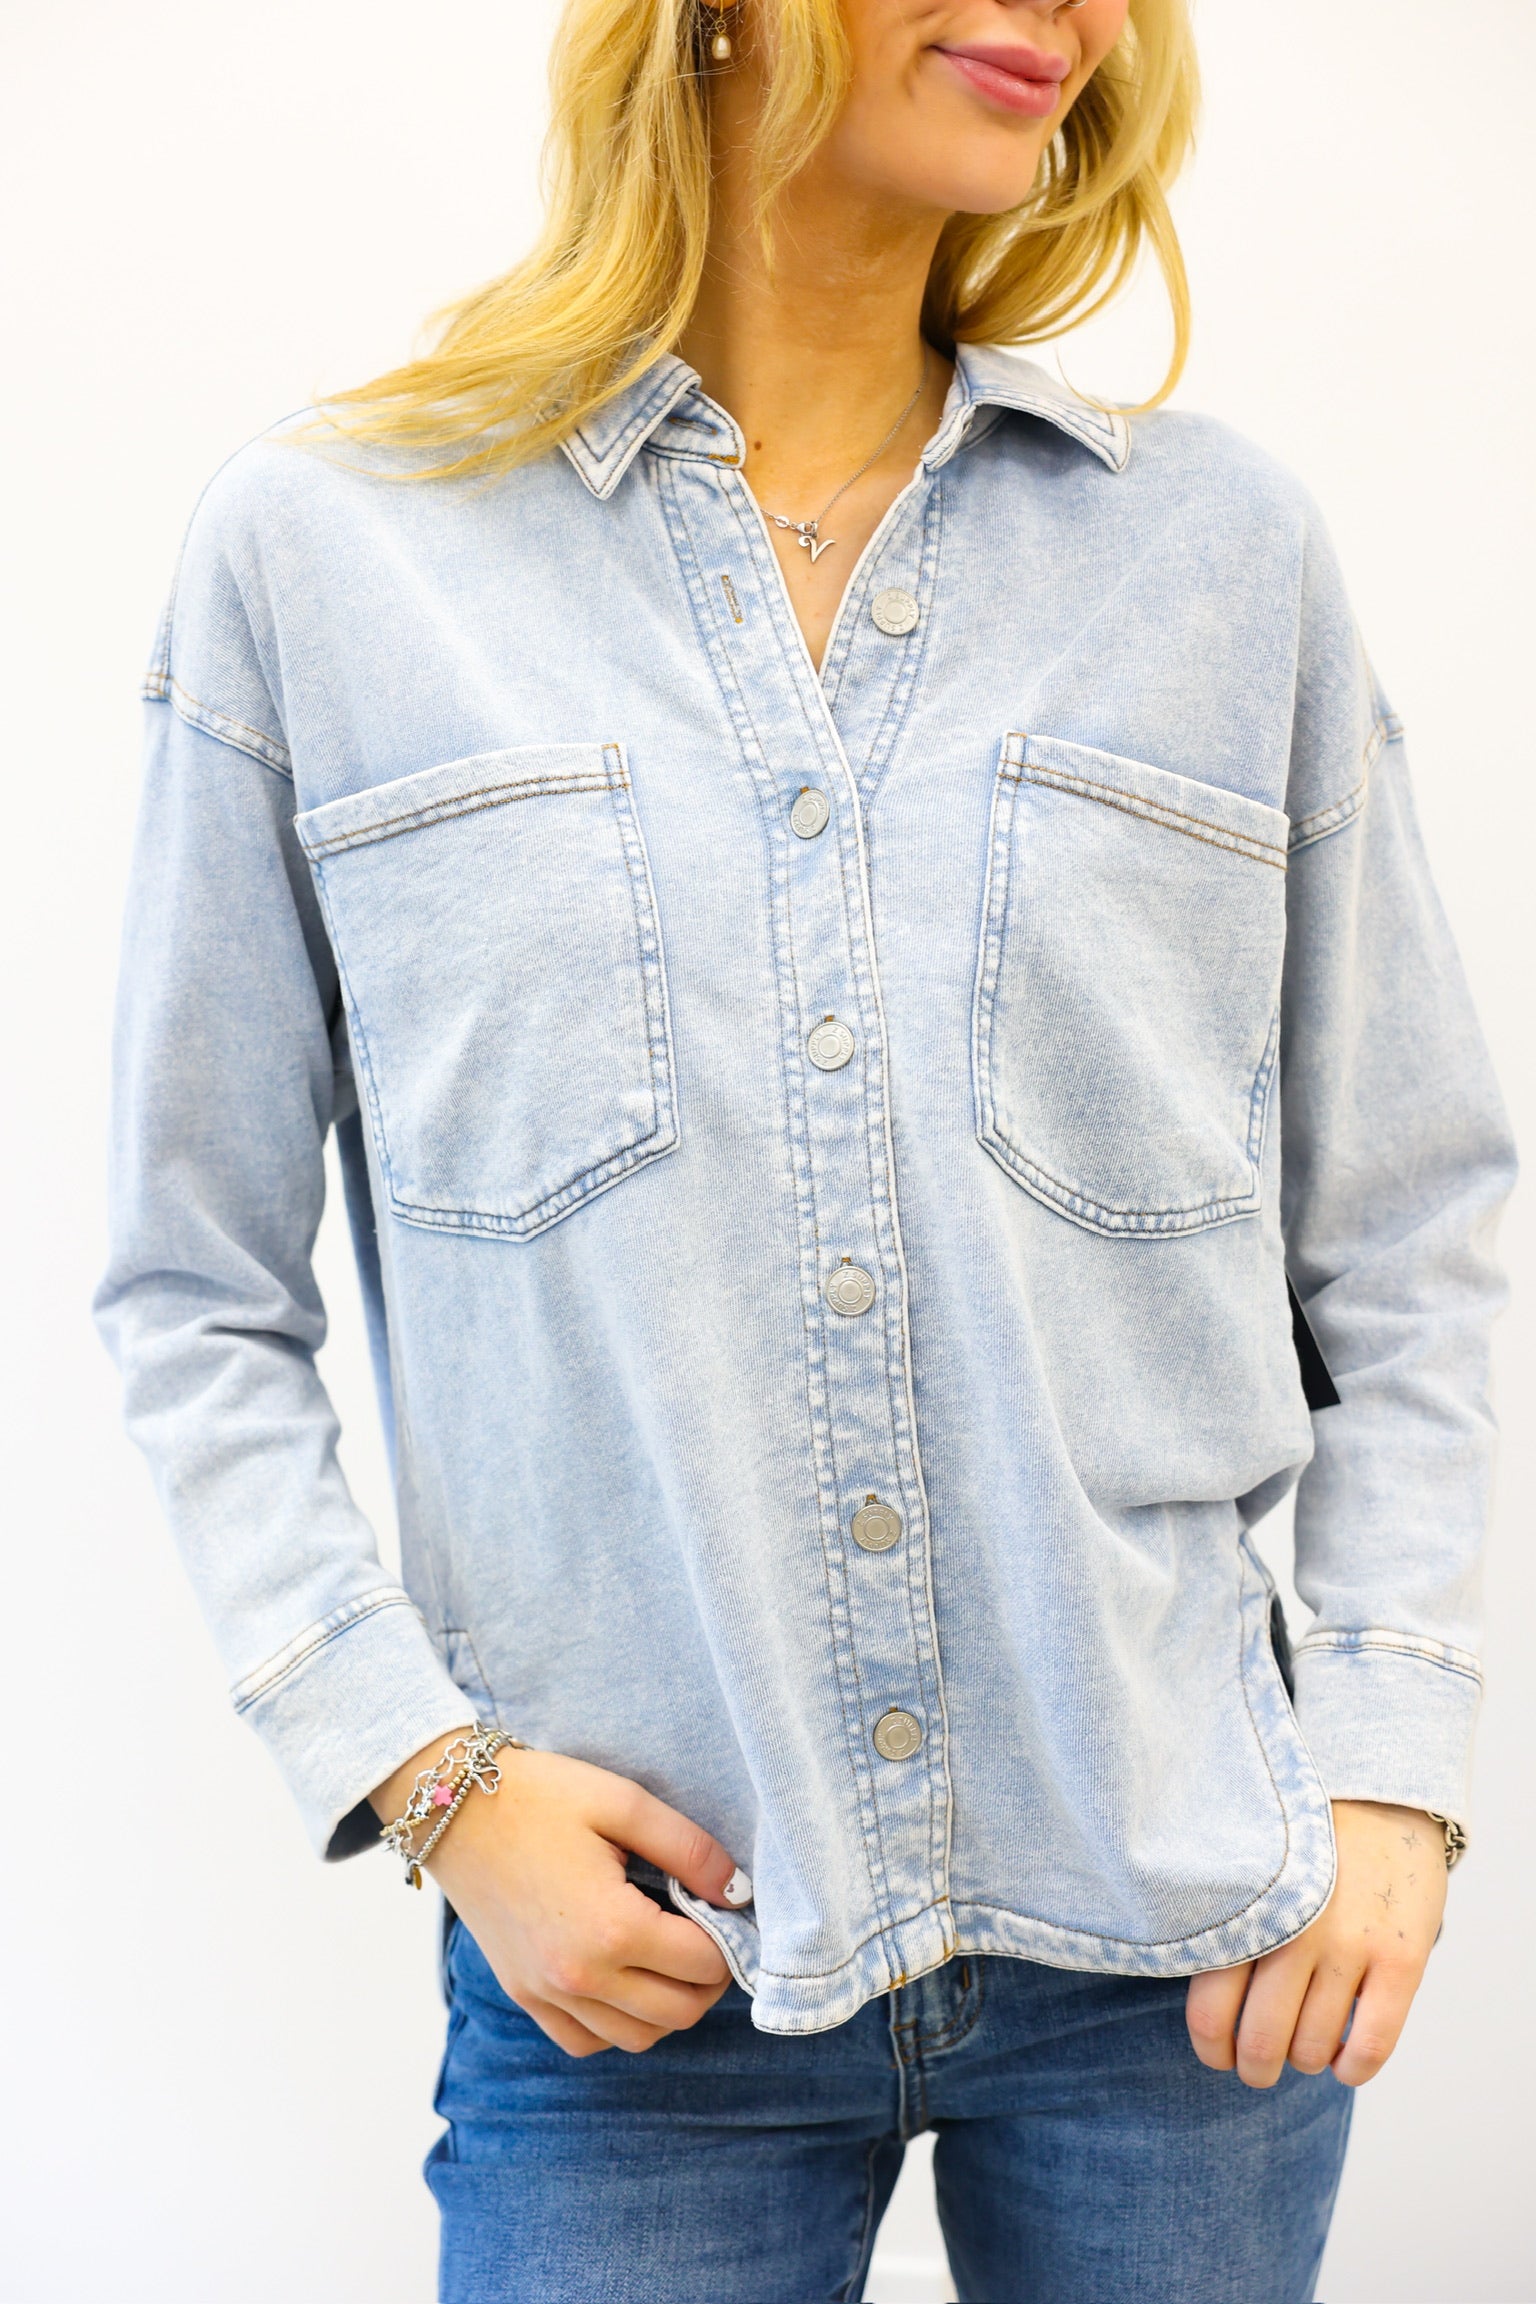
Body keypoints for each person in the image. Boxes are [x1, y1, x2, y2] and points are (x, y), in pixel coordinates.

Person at [96, 0, 1515, 2297]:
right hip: (637, 1958)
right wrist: (434, 1787)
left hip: (1187, 1952)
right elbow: (188, 1286)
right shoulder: (331, 558)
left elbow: (1414, 1226)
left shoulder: (1222, 553)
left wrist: (1389, 1767)